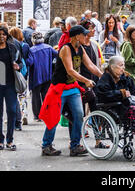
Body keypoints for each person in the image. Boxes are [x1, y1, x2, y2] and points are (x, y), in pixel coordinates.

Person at [39, 24, 103, 157]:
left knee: (79, 115)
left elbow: (91, 65)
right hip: (59, 88)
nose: (86, 36)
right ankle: (46, 145)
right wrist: (85, 80)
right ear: (76, 36)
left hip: (72, 88)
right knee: (54, 117)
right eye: (84, 34)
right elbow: (70, 70)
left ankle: (75, 145)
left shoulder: (80, 49)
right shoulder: (66, 49)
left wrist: (103, 76)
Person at [26, 31, 58, 121]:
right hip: (48, 76)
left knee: (35, 97)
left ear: (33, 40)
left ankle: (37, 116)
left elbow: (30, 62)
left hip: (36, 77)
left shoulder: (32, 50)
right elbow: (57, 55)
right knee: (46, 96)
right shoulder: (48, 48)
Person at [0, 26, 23, 151]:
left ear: (6, 35)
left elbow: (21, 63)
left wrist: (17, 66)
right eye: (0, 34)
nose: (1, 36)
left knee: (12, 111)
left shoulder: (12, 47)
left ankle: (10, 140)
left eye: (3, 34)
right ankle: (0, 140)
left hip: (10, 83)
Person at [9, 27, 30, 129]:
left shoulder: (11, 44)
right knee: (22, 96)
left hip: (13, 74)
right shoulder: (22, 44)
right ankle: (23, 114)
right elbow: (24, 60)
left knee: (14, 97)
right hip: (21, 73)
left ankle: (17, 118)